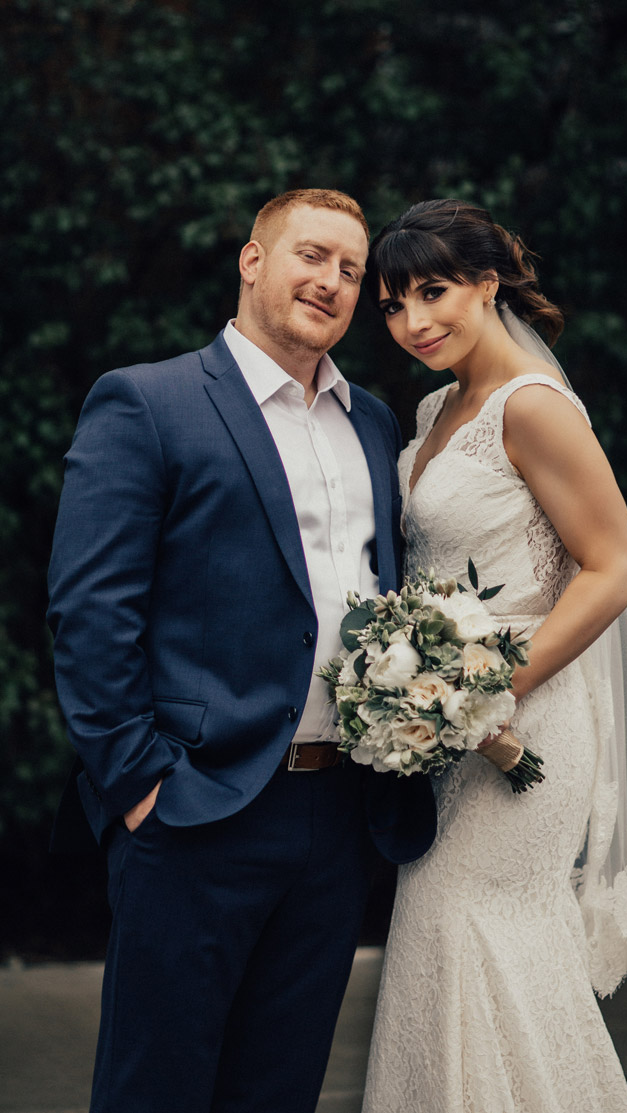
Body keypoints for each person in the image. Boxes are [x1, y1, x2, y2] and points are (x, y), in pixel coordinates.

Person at [47, 187, 436, 1113]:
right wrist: (140, 782)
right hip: (193, 809)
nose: (332, 281)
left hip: (337, 812)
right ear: (252, 261)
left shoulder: (374, 422)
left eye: (351, 270)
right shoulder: (149, 401)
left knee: (280, 1087)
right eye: (311, 255)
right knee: (159, 1087)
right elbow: (90, 613)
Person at [359, 199, 627, 1113]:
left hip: (521, 718)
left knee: (478, 926)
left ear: (487, 281)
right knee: (442, 934)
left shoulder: (532, 407)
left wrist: (485, 689)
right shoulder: (435, 406)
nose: (412, 322)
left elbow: (613, 567)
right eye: (391, 305)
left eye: (432, 291)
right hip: (444, 725)